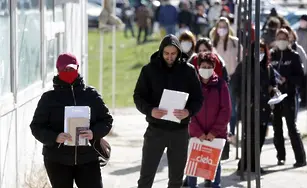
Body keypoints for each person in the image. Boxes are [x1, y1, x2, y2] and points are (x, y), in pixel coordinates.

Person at [30, 53, 113, 188]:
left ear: (78, 68)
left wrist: (94, 133)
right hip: (57, 160)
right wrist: (55, 137)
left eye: (72, 69)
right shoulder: (48, 99)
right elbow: (36, 127)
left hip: (88, 158)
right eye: (65, 69)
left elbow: (107, 120)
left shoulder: (91, 95)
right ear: (58, 70)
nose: (69, 72)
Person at [133, 34, 204, 188]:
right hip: (155, 130)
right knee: (146, 176)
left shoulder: (189, 71)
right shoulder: (149, 70)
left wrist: (189, 111)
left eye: (173, 54)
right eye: (166, 53)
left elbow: (198, 98)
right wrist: (150, 110)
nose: (170, 57)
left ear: (178, 52)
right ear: (161, 52)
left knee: (176, 179)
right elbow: (138, 96)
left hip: (179, 131)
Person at [186, 52, 231, 188]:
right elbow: (188, 110)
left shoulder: (221, 85)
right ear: (198, 67)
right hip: (196, 135)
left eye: (209, 66)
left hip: (216, 135)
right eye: (203, 66)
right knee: (193, 165)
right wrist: (197, 131)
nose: (206, 69)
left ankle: (214, 185)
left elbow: (226, 110)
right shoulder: (192, 85)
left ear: (213, 67)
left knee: (214, 164)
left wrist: (214, 132)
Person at [231, 41, 277, 173]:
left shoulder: (268, 68)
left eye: (262, 51)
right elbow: (235, 86)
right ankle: (246, 163)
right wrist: (244, 98)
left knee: (260, 137)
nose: (259, 54)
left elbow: (273, 84)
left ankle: (253, 163)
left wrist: (272, 90)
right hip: (249, 108)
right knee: (249, 137)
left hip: (264, 108)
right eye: (256, 51)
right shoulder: (244, 66)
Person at [270, 29, 307, 167]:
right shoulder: (271, 55)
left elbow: (301, 78)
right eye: (278, 38)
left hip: (289, 96)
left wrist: (288, 80)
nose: (281, 41)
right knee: (277, 128)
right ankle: (281, 156)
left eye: (283, 38)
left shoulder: (294, 56)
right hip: (275, 97)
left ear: (289, 39)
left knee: (291, 127)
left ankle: (300, 158)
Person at [211, 17, 242, 144]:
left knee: (231, 106)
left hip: (232, 77)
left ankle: (232, 133)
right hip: (216, 78)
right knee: (216, 107)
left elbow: (241, 60)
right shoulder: (213, 43)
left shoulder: (235, 42)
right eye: (220, 27)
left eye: (224, 27)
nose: (222, 29)